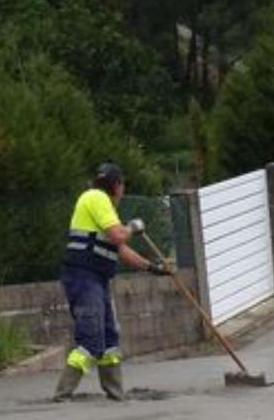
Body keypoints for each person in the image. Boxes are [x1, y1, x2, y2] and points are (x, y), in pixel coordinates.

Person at [54, 163, 172, 402]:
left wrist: (152, 267)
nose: (123, 191)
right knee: (91, 336)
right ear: (116, 185)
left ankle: (115, 392)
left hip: (96, 278)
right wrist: (133, 227)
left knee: (109, 338)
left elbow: (119, 248)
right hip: (84, 277)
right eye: (122, 186)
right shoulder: (96, 198)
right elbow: (120, 235)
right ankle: (62, 395)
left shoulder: (100, 206)